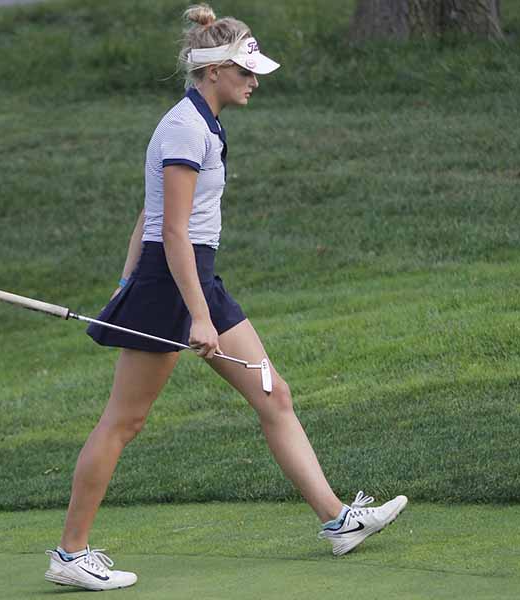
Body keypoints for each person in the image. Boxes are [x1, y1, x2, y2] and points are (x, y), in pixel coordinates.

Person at [44, 4, 407, 591]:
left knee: (273, 393)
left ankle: (338, 519)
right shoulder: (186, 128)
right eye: (245, 71)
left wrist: (127, 281)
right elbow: (174, 229)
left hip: (192, 280)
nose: (253, 81)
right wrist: (178, 306)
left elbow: (150, 212)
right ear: (213, 71)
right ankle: (69, 553)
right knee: (124, 420)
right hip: (176, 283)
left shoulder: (201, 121)